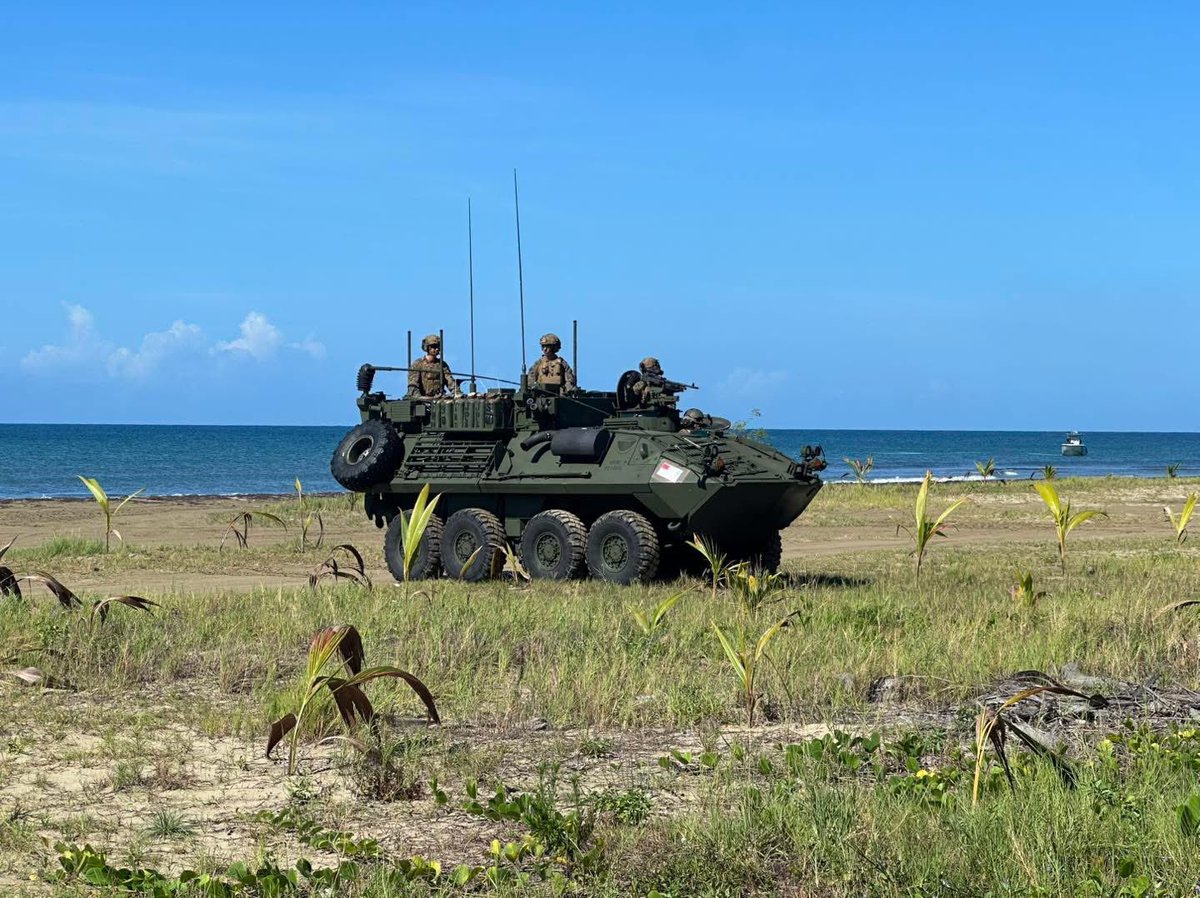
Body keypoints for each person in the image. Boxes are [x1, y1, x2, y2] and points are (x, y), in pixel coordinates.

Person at [408, 333, 460, 398]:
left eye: (438, 346)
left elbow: (450, 381)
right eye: (434, 347)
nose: (437, 349)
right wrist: (422, 398)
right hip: (423, 401)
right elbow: (413, 385)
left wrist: (457, 393)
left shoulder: (442, 365)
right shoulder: (418, 364)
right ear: (427, 348)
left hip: (439, 399)